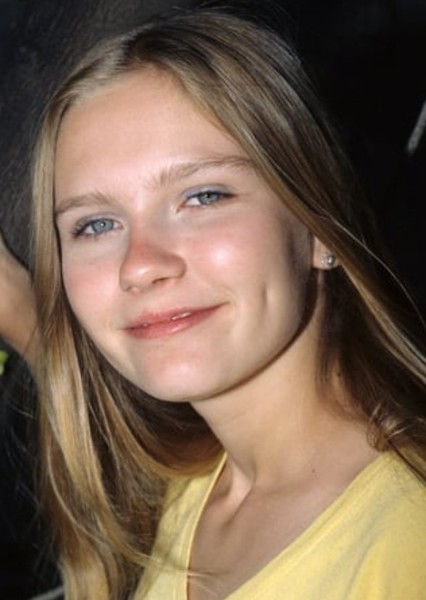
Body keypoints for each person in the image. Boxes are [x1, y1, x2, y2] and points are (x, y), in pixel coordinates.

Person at [1, 7, 426, 600]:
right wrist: (18, 310)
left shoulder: (406, 545)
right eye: (96, 224)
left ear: (319, 230)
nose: (139, 264)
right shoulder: (204, 479)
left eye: (203, 196)